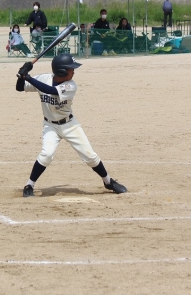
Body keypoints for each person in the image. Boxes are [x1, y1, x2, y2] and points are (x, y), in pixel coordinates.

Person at [15, 54, 127, 198]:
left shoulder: (71, 85)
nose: (73, 72)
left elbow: (51, 91)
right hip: (50, 126)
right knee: (46, 155)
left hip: (69, 125)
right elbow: (19, 88)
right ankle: (29, 184)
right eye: (71, 69)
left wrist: (28, 77)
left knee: (90, 156)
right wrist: (21, 75)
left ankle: (108, 181)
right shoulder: (43, 78)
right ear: (61, 71)